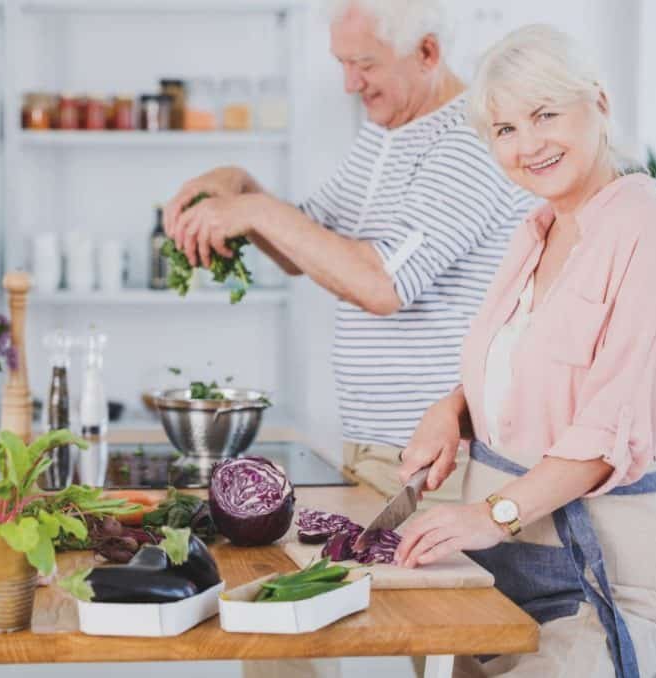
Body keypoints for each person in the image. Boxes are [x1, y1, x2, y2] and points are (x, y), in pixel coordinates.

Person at [395, 24, 656, 678]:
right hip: (502, 563)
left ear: (600, 104)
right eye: (505, 129)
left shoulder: (648, 234)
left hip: (598, 579)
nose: (527, 144)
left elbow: (605, 431)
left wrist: (492, 514)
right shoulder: (534, 232)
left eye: (544, 115)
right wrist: (451, 410)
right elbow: (523, 376)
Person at [165, 0, 534, 507]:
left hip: (443, 458)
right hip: (374, 444)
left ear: (427, 52)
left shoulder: (469, 143)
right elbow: (308, 245)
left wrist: (253, 209)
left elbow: (382, 285)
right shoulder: (386, 133)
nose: (349, 84)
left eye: (365, 65)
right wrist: (237, 184)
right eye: (342, 63)